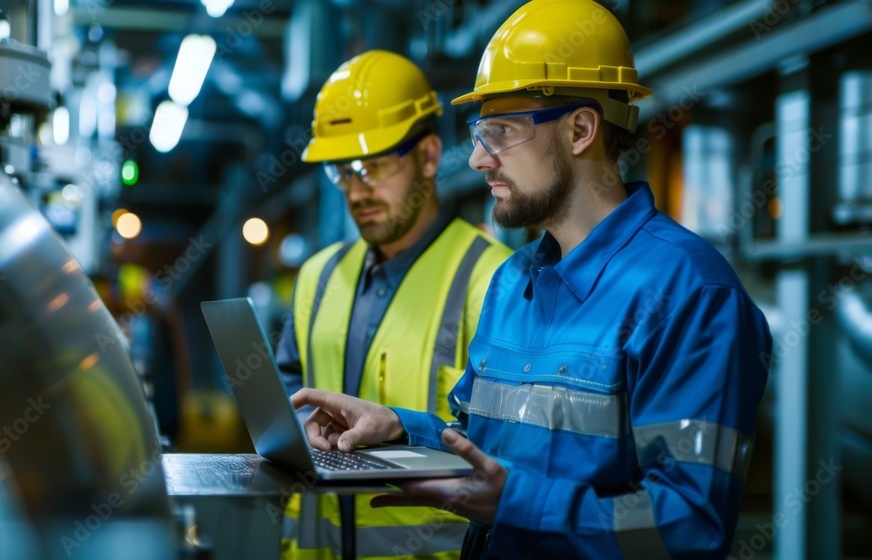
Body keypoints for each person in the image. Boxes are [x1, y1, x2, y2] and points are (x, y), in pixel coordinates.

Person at [291, 2, 773, 558]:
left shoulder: (689, 295)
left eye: (499, 131)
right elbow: (480, 443)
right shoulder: (511, 282)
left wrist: (516, 503)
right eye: (479, 133)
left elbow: (691, 526)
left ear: (581, 129)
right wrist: (401, 429)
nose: (476, 159)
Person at [276, 49, 513, 560]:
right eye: (343, 171)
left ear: (428, 156)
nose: (357, 190)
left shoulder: (493, 277)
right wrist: (301, 429)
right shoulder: (318, 276)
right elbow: (286, 391)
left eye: (374, 166)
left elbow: (506, 449)